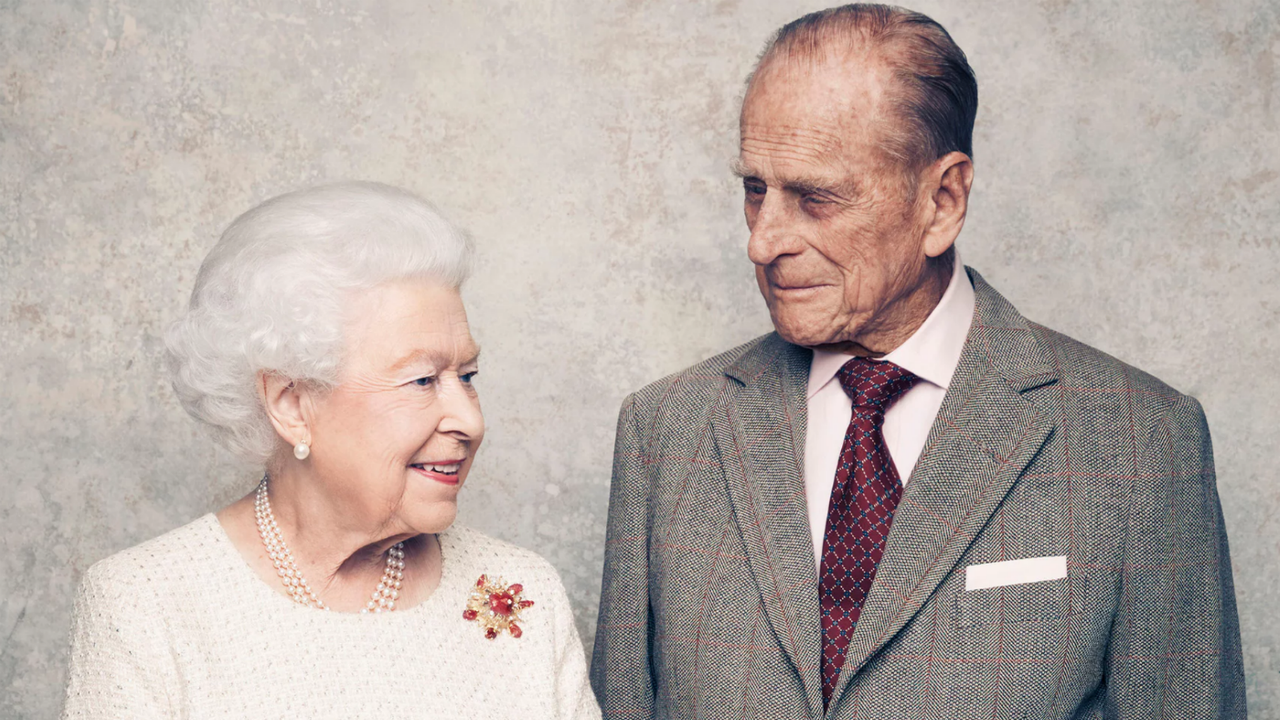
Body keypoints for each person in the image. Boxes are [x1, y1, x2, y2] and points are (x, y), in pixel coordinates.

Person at [590, 5, 1245, 719]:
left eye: (816, 198)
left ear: (943, 200)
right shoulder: (665, 433)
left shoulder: (1140, 442)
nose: (764, 241)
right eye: (756, 190)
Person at [61, 182, 601, 719]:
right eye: (421, 381)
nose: (470, 420)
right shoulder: (147, 603)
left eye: (468, 375)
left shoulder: (525, 591)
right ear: (292, 404)